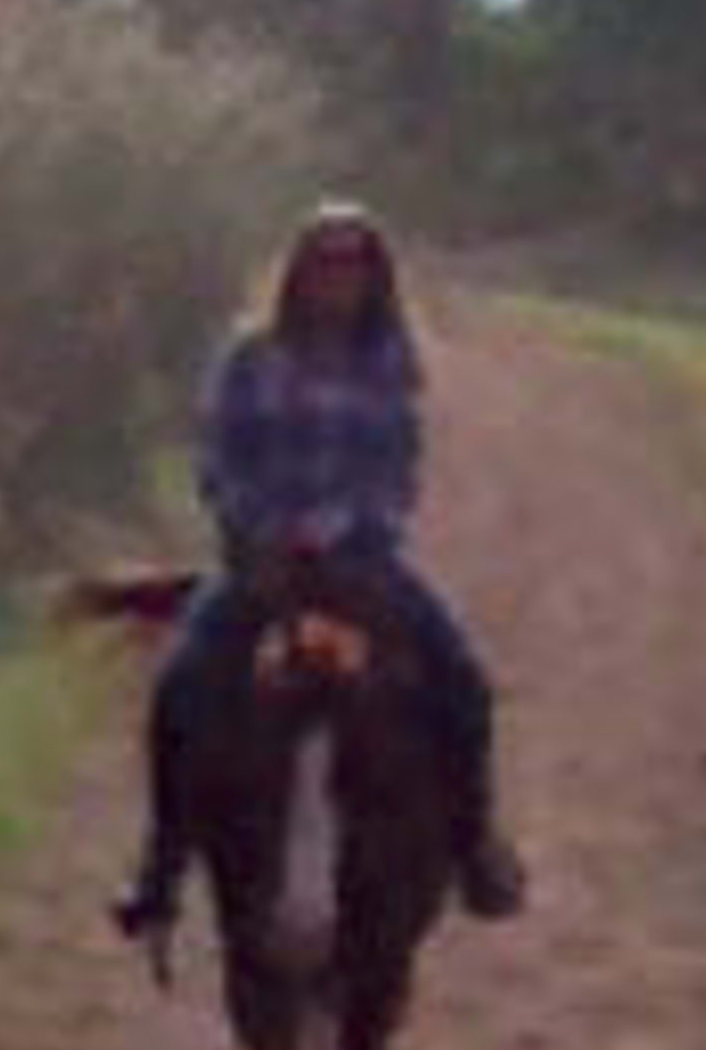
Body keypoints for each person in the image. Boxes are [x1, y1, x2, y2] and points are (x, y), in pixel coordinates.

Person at [113, 201, 526, 941]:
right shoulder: (249, 355)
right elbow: (217, 457)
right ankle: (160, 869)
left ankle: (474, 847)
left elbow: (397, 471)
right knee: (180, 684)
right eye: (327, 263)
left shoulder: (389, 360)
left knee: (462, 679)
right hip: (257, 561)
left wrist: (341, 532)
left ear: (376, 277)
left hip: (361, 559)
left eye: (356, 265)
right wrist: (259, 528)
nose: (341, 280)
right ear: (299, 273)